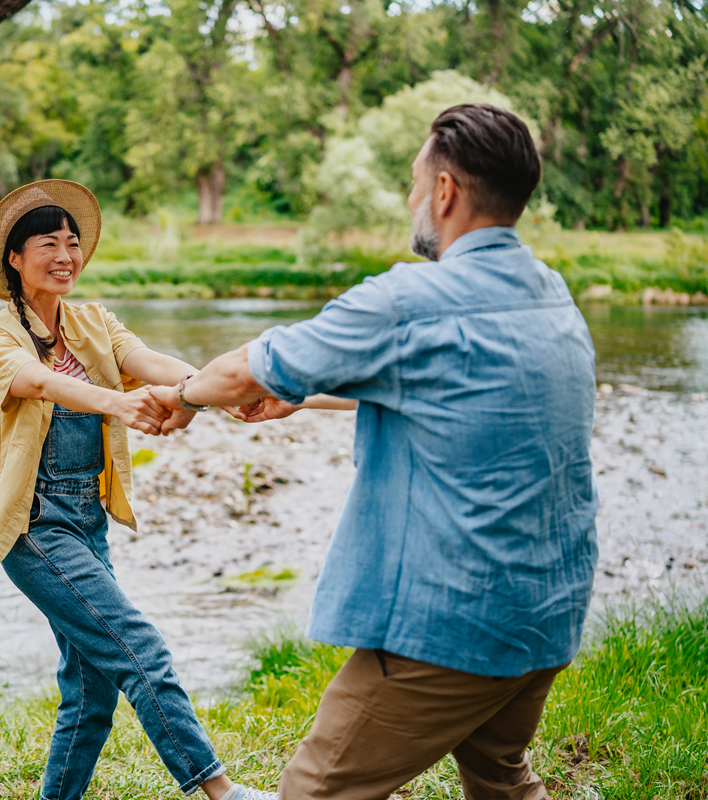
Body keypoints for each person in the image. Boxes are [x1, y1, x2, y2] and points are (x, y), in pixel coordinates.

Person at [151, 104, 599, 800]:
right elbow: (445, 389)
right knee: (502, 781)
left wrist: (184, 394)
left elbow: (246, 369)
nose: (413, 199)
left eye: (416, 183)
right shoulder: (549, 295)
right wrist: (303, 397)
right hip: (546, 614)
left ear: (445, 191)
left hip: (447, 632)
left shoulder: (412, 299)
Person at [0, 180, 275, 800]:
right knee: (139, 647)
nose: (66, 256)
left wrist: (209, 392)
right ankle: (219, 792)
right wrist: (122, 403)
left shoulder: (93, 320)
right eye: (49, 244)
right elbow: (42, 384)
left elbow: (155, 362)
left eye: (73, 243)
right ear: (15, 258)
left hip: (87, 523)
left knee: (91, 688)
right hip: (34, 527)